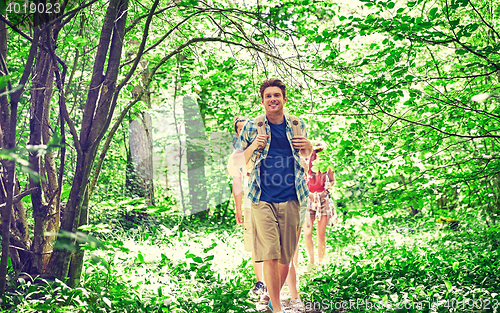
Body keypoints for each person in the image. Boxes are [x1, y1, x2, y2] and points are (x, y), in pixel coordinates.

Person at [234, 78, 312, 313]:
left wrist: (307, 144)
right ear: (262, 100)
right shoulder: (252, 127)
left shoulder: (297, 124)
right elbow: (238, 162)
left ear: (284, 99)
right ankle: (277, 307)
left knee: (286, 256)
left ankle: (272, 297)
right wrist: (254, 146)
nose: (272, 99)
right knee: (270, 253)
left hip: (292, 196)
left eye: (276, 95)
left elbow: (306, 155)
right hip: (262, 197)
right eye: (268, 96)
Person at [227, 116, 265, 295]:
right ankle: (260, 282)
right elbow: (237, 184)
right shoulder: (235, 156)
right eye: (240, 129)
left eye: (246, 129)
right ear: (237, 133)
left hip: (271, 199)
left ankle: (280, 279)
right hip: (250, 203)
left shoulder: (265, 149)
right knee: (255, 242)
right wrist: (238, 208)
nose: (243, 132)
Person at [303, 143, 336, 267]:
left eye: (322, 152)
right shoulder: (307, 164)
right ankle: (311, 260)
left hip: (323, 199)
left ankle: (320, 262)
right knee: (307, 232)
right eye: (317, 151)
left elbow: (332, 181)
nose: (319, 154)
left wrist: (329, 184)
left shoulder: (328, 165)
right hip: (309, 199)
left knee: (321, 233)